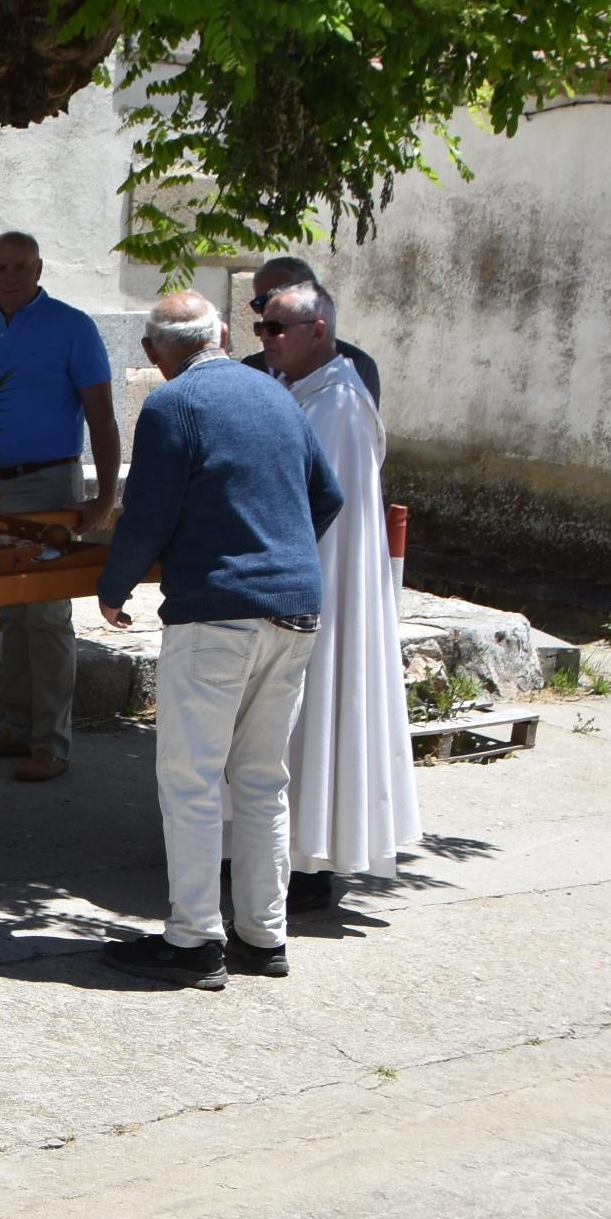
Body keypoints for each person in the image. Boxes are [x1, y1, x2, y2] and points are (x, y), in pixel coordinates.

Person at [95, 292, 344, 991]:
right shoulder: (275, 396)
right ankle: (263, 936)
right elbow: (327, 495)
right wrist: (277, 551)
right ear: (227, 336)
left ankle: (195, 939)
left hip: (217, 612)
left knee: (192, 778)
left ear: (151, 354)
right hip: (295, 607)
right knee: (262, 779)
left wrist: (115, 585)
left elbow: (146, 511)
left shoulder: (173, 407)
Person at [254, 278, 421, 915]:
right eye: (261, 327)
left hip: (324, 586)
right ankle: (277, 853)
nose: (264, 340)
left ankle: (311, 860)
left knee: (319, 710)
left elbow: (330, 513)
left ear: (317, 331)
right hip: (295, 579)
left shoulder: (342, 406)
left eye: (276, 329)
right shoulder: (299, 391)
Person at [0, 231, 123, 783]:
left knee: (48, 615)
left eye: (21, 266)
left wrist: (104, 497)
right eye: (1, 266)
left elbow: (102, 416)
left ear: (38, 269)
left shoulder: (72, 326)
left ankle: (51, 744)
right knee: (9, 611)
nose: (11, 275)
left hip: (51, 485)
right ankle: (15, 727)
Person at [239, 254, 382, 406]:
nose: (270, 307)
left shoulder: (358, 366)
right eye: (260, 303)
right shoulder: (251, 367)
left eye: (281, 296)